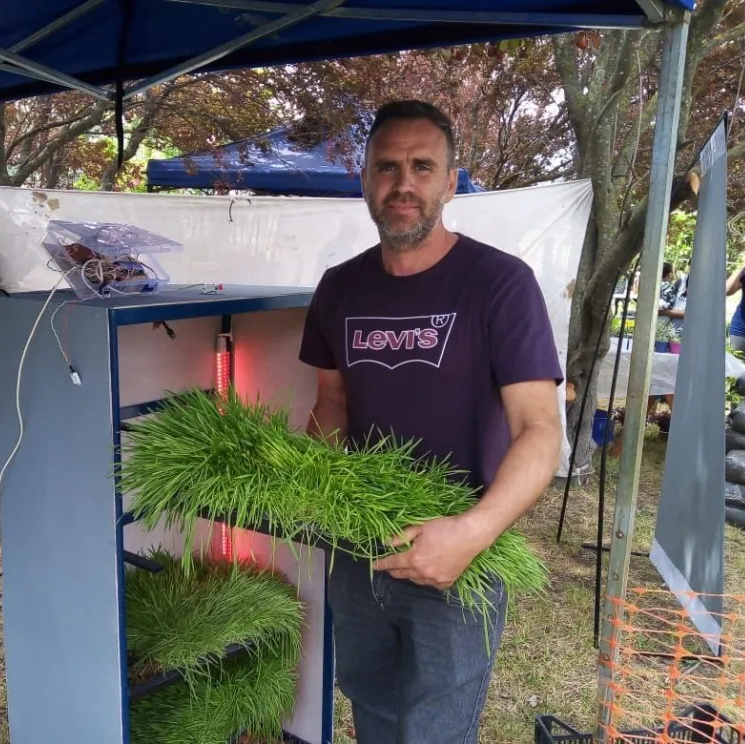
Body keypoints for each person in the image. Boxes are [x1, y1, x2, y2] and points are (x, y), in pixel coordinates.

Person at [298, 100, 563, 744]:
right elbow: (332, 407)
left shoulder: (500, 283)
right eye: (386, 167)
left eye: (423, 166)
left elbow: (539, 430)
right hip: (360, 546)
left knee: (438, 727)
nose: (403, 184)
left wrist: (470, 533)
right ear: (363, 180)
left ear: (450, 182)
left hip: (462, 553)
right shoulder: (337, 288)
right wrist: (310, 490)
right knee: (373, 709)